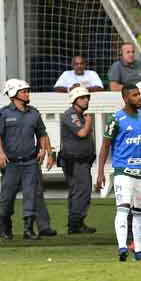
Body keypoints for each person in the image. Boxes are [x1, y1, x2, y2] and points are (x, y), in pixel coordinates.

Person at [96, 84, 141, 262]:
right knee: (123, 208)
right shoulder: (116, 119)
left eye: (139, 95)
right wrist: (100, 172)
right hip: (123, 171)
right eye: (135, 95)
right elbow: (105, 146)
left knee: (138, 212)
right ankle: (122, 247)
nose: (139, 98)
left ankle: (138, 250)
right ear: (125, 98)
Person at [0, 79, 56, 241]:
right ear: (13, 94)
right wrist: (0, 153)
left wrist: (43, 150)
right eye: (24, 91)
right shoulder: (3, 114)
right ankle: (4, 228)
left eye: (27, 91)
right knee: (7, 197)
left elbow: (42, 133)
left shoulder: (34, 113)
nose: (27, 94)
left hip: (30, 163)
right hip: (11, 163)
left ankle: (28, 229)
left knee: (31, 196)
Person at [58, 87, 97, 234]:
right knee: (82, 190)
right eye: (82, 98)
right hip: (74, 161)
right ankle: (75, 224)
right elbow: (82, 133)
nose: (86, 100)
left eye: (87, 97)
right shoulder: (71, 115)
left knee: (80, 191)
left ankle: (77, 223)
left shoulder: (80, 115)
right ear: (74, 100)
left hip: (81, 161)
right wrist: (88, 122)